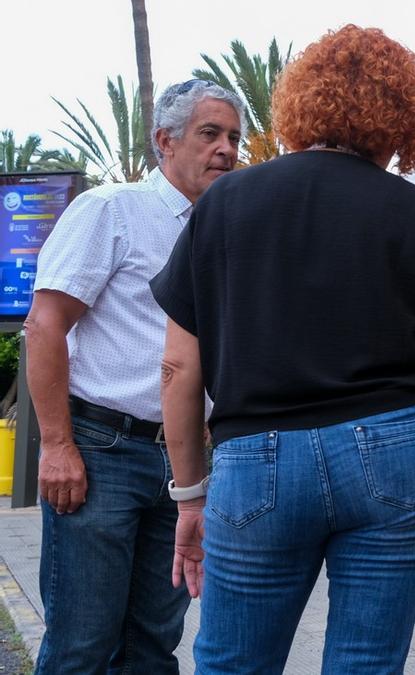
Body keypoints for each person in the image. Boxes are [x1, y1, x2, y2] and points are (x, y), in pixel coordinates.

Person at [150, 25, 415, 672]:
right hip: (401, 451)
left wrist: (191, 494)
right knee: (367, 661)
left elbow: (177, 368)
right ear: (404, 120)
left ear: (303, 104)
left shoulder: (225, 204)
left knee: (231, 661)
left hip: (258, 457)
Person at [24, 79, 243, 673]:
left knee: (153, 645)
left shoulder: (228, 230)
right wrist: (57, 445)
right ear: (164, 141)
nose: (226, 148)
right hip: (101, 453)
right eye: (209, 134)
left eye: (233, 137)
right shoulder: (111, 209)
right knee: (82, 644)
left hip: (186, 467)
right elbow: (44, 326)